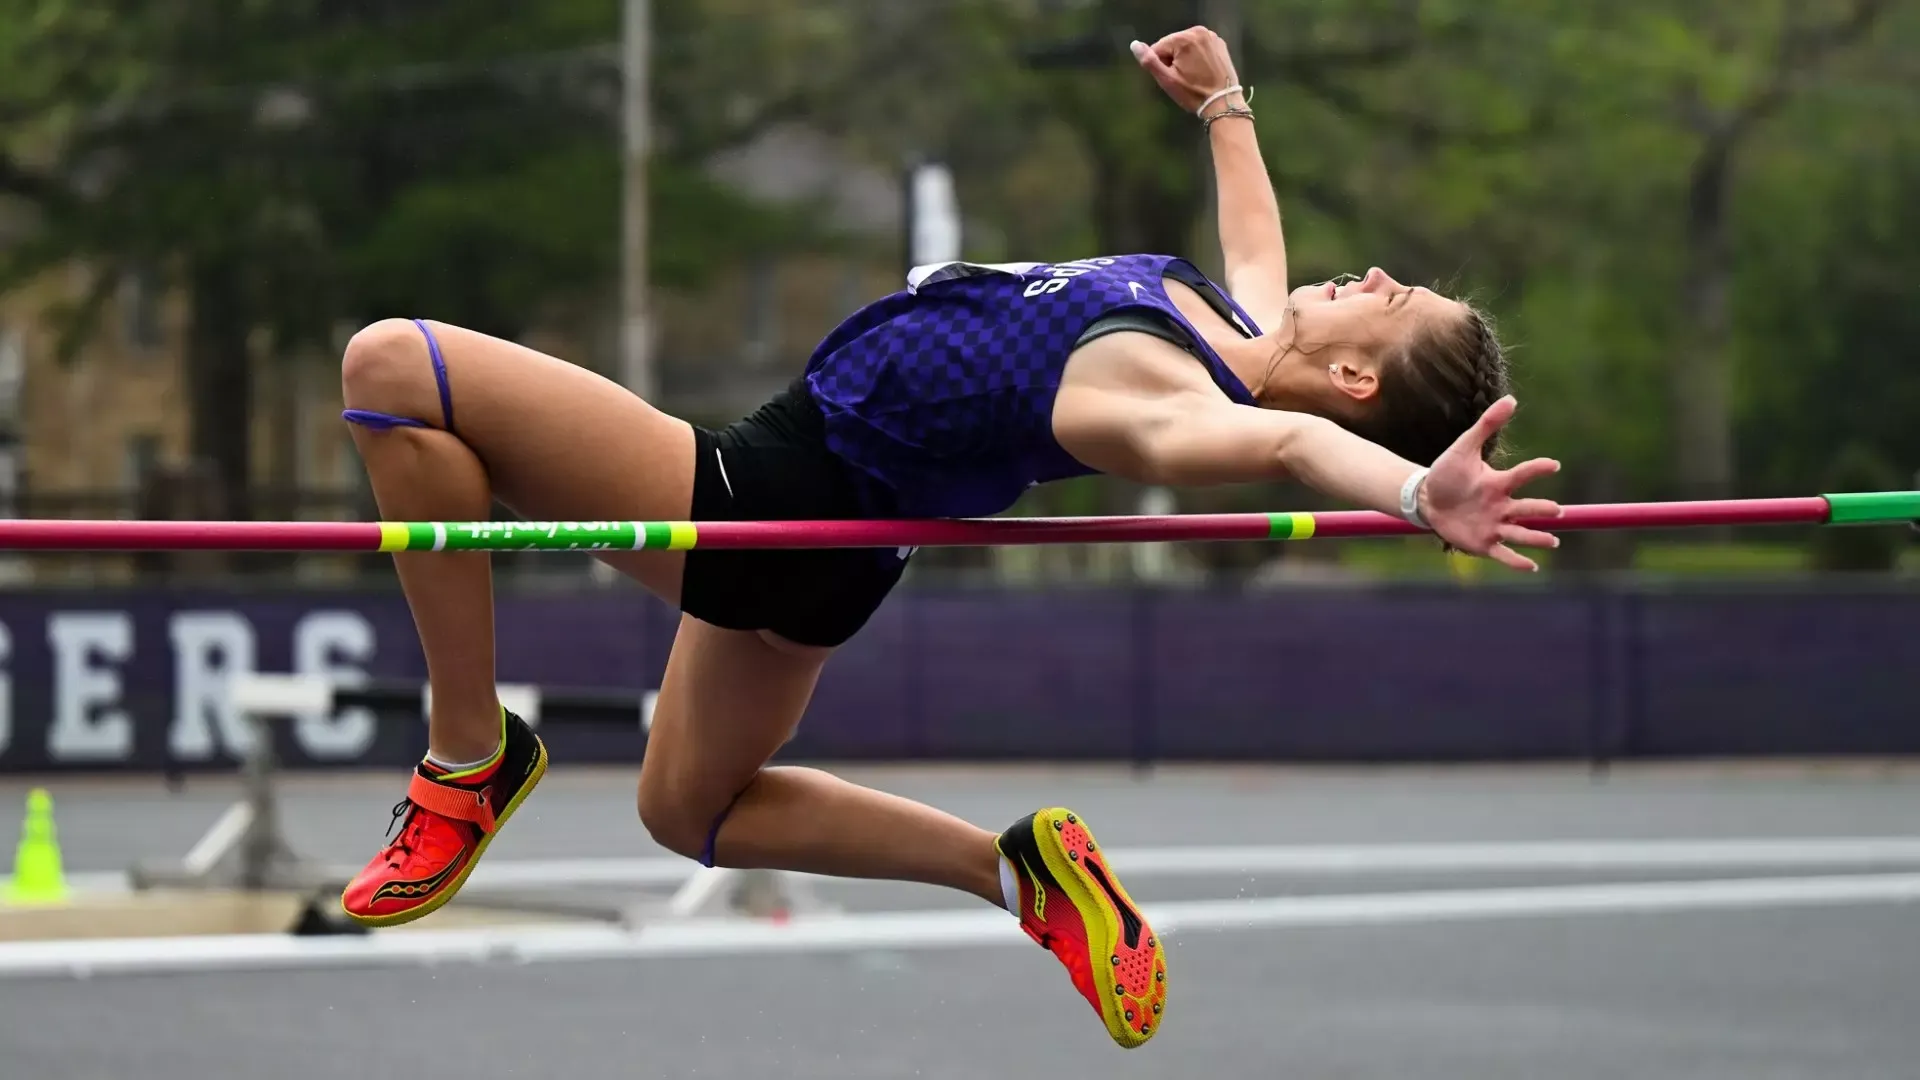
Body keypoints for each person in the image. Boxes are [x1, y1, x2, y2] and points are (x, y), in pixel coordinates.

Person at [332, 25, 1563, 1049]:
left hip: (769, 496)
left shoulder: (1159, 395)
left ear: (1354, 377)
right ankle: (1017, 871)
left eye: (1394, 301)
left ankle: (469, 755)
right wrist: (1224, 107)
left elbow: (1291, 446)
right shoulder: (1227, 332)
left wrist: (1417, 495)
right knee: (690, 810)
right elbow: (1256, 249)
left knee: (394, 369)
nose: (1377, 272)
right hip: (836, 558)